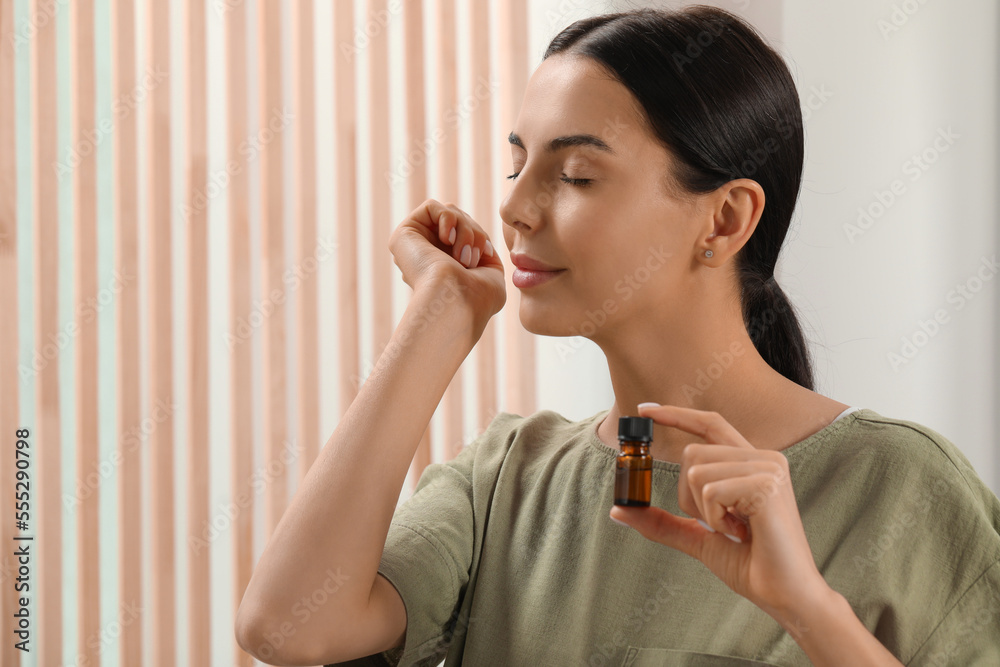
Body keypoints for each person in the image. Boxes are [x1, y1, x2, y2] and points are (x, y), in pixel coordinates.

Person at [235, 6, 1000, 666]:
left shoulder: (900, 488)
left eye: (574, 176)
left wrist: (809, 609)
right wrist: (439, 315)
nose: (515, 210)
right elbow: (288, 625)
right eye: (517, 164)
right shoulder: (504, 477)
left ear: (725, 218)